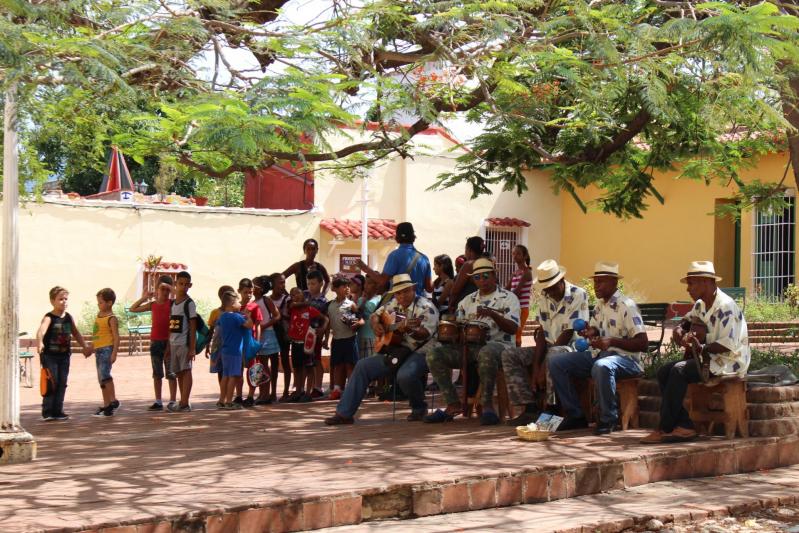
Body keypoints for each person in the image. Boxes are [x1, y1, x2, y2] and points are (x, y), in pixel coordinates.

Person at [641, 261, 750, 444]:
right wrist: (678, 331)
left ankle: (665, 427)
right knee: (663, 371)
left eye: (692, 284)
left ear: (707, 282)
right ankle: (684, 425)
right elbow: (686, 322)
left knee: (679, 370)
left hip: (729, 360)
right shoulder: (700, 304)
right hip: (709, 358)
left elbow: (728, 345)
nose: (688, 289)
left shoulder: (726, 307)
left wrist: (702, 346)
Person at [324, 273, 439, 425]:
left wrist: (410, 330)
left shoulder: (426, 307)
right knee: (362, 366)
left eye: (406, 291)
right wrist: (376, 325)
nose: (402, 296)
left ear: (413, 289)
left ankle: (419, 407)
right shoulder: (394, 303)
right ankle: (344, 413)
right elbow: (374, 315)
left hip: (421, 352)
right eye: (398, 292)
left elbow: (424, 334)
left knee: (405, 375)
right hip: (396, 350)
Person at [549, 262, 648, 435]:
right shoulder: (600, 306)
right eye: (595, 282)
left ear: (614, 283)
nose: (596, 286)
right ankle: (575, 415)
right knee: (557, 362)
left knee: (602, 366)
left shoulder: (627, 306)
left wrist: (612, 341)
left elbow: (643, 343)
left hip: (628, 360)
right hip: (600, 355)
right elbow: (596, 330)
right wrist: (590, 331)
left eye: (601, 282)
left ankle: (608, 418)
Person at [426, 258, 520, 425]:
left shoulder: (509, 298)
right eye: (477, 277)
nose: (481, 280)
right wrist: (454, 333)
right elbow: (458, 325)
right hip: (469, 348)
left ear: (494, 275)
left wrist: (493, 314)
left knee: (487, 352)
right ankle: (452, 403)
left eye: (485, 276)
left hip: (500, 347)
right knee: (434, 355)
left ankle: (488, 405)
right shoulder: (467, 301)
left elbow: (513, 328)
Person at [502, 260, 589, 426]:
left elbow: (569, 332)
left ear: (561, 281)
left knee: (554, 354)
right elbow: (542, 331)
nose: (550, 292)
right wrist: (536, 368)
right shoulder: (544, 296)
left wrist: (543, 367)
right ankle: (529, 408)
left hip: (571, 347)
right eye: (547, 289)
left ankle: (551, 408)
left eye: (553, 287)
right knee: (509, 354)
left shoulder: (579, 294)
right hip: (550, 345)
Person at [36, 286, 92, 421]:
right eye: (60, 299)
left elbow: (76, 333)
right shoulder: (49, 317)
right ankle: (48, 412)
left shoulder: (68, 317)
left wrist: (85, 346)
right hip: (50, 356)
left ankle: (58, 411)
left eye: (66, 299)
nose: (64, 302)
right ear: (52, 301)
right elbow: (41, 331)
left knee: (62, 382)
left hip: (64, 356)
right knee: (52, 381)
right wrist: (40, 343)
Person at [130, 276, 177, 411]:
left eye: (167, 289)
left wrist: (169, 343)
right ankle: (158, 401)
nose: (165, 292)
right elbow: (133, 309)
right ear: (156, 290)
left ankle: (173, 400)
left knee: (171, 373)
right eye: (162, 289)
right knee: (157, 373)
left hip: (169, 342)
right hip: (155, 342)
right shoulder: (152, 305)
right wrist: (145, 297)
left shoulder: (173, 304)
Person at [357, 222, 432, 296]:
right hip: (419, 304)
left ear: (397, 237)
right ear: (413, 237)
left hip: (401, 303)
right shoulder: (424, 258)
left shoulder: (394, 255)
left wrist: (365, 268)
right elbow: (429, 288)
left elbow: (382, 280)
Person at [287, 287, 329, 402]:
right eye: (293, 295)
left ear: (303, 295)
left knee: (309, 368)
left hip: (307, 344)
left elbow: (325, 318)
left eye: (298, 293)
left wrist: (322, 328)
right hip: (295, 343)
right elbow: (292, 305)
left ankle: (308, 392)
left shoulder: (310, 309)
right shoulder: (292, 308)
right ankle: (298, 391)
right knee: (297, 368)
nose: (295, 296)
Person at [216, 291, 254, 410]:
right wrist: (248, 316)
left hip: (225, 351)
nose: (239, 304)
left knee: (225, 376)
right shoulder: (237, 317)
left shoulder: (222, 316)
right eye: (238, 302)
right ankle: (229, 401)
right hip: (235, 351)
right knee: (233, 376)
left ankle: (221, 400)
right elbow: (249, 326)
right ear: (232, 303)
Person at [326, 277, 361, 400]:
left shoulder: (351, 304)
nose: (347, 288)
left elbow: (360, 319)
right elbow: (327, 323)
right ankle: (337, 389)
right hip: (336, 339)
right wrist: (326, 340)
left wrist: (356, 323)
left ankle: (351, 390)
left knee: (349, 365)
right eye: (343, 286)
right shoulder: (330, 305)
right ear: (334, 289)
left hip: (349, 339)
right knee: (337, 365)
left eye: (348, 286)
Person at [167, 271, 197, 412]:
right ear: (175, 284)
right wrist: (168, 344)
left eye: (186, 284)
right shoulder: (173, 304)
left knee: (186, 371)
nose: (183, 287)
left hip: (184, 343)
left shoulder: (189, 304)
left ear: (190, 285)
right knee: (178, 372)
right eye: (181, 284)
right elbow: (171, 325)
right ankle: (182, 400)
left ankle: (185, 402)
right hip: (173, 343)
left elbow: (192, 325)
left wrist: (192, 347)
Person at [90, 288, 121, 417]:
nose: (99, 305)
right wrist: (91, 347)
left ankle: (114, 400)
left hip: (107, 349)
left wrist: (114, 353)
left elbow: (116, 337)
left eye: (101, 302)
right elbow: (97, 334)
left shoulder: (111, 318)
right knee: (101, 379)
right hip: (98, 350)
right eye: (98, 303)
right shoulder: (99, 315)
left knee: (105, 374)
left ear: (109, 303)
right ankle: (107, 405)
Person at [253, 275, 281, 404]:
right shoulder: (252, 302)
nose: (252, 288)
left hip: (269, 335)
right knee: (262, 366)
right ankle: (263, 393)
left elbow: (276, 316)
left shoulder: (266, 300)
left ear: (261, 288)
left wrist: (264, 326)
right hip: (259, 336)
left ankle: (272, 393)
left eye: (254, 285)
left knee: (272, 366)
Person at [206, 284, 235, 407]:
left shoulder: (236, 314)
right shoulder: (215, 313)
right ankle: (223, 395)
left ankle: (230, 396)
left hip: (231, 346)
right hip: (218, 346)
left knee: (231, 371)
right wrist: (207, 345)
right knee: (220, 370)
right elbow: (211, 330)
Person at [236, 278, 264, 407]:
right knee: (238, 370)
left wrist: (257, 342)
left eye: (250, 292)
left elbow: (258, 325)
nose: (248, 295)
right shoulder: (235, 307)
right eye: (245, 292)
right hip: (237, 342)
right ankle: (238, 395)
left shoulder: (254, 306)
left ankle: (251, 396)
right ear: (239, 291)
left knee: (252, 370)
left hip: (250, 341)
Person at [447, 236, 488, 313]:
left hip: (468, 308)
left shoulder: (469, 265)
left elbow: (455, 290)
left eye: (465, 249)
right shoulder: (487, 263)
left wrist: (451, 304)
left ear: (469, 250)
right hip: (484, 305)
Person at [269, 272, 293, 401]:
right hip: (271, 334)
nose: (282, 285)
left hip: (284, 333)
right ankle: (272, 392)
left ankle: (285, 391)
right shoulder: (268, 299)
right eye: (280, 282)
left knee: (285, 361)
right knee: (273, 362)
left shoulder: (288, 299)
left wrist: (280, 315)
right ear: (272, 284)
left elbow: (291, 315)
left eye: (284, 282)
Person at [305, 270, 328, 397]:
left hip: (315, 335)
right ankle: (306, 387)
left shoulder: (324, 301)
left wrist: (324, 337)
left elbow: (326, 320)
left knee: (317, 360)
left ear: (321, 284)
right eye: (308, 284)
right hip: (303, 335)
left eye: (313, 284)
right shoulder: (304, 296)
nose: (310, 286)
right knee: (306, 361)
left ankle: (318, 387)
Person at [506, 245, 533, 347]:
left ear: (525, 256)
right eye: (513, 253)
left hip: (522, 308)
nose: (515, 256)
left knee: (517, 334)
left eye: (518, 254)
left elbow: (517, 292)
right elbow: (507, 289)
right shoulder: (515, 273)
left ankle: (517, 356)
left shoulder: (527, 272)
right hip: (514, 307)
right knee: (513, 335)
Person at [354, 275, 381, 362]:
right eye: (365, 283)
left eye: (369, 283)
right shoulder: (361, 300)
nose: (366, 285)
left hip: (372, 338)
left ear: (377, 286)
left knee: (370, 364)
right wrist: (364, 300)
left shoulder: (379, 299)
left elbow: (373, 311)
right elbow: (358, 313)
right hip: (360, 336)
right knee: (360, 363)